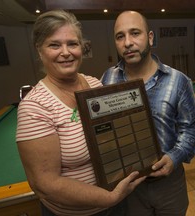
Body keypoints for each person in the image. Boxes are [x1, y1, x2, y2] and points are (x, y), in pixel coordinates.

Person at [16, 10, 146, 216]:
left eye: (72, 44)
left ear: (81, 48)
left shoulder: (94, 84)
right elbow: (44, 184)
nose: (66, 52)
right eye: (54, 45)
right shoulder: (34, 107)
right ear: (40, 51)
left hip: (117, 204)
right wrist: (109, 198)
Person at [101, 11, 195, 216]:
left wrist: (174, 157)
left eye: (135, 33)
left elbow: (194, 127)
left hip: (168, 184)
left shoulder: (178, 81)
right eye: (120, 36)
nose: (127, 42)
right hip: (126, 185)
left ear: (150, 37)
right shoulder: (107, 78)